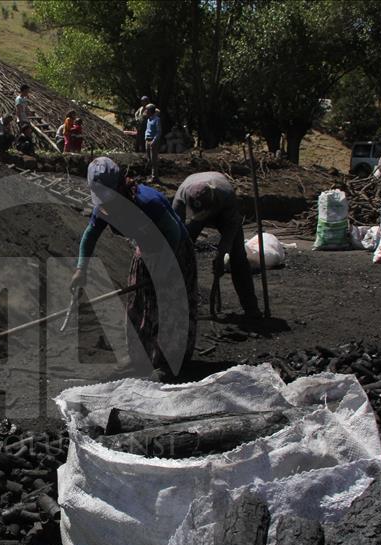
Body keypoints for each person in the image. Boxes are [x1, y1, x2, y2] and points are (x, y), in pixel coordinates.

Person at [71, 157, 198, 381]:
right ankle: (138, 357)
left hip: (173, 250)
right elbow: (90, 235)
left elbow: (173, 233)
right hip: (146, 249)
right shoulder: (104, 208)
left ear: (121, 184)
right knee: (139, 303)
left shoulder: (147, 202)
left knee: (169, 306)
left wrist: (165, 270)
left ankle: (169, 363)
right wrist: (82, 269)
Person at [172, 172, 261, 319]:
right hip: (196, 213)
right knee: (180, 252)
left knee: (238, 256)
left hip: (223, 213)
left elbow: (231, 228)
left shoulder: (226, 195)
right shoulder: (180, 199)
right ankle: (180, 303)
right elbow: (174, 232)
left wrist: (222, 253)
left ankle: (251, 307)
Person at [144, 104, 161, 183]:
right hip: (147, 140)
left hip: (153, 141)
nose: (145, 111)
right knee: (149, 159)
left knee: (154, 160)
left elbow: (158, 132)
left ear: (150, 111)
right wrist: (145, 138)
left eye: (147, 110)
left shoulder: (157, 119)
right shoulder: (148, 119)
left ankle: (155, 177)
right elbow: (147, 129)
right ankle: (151, 175)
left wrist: (154, 141)